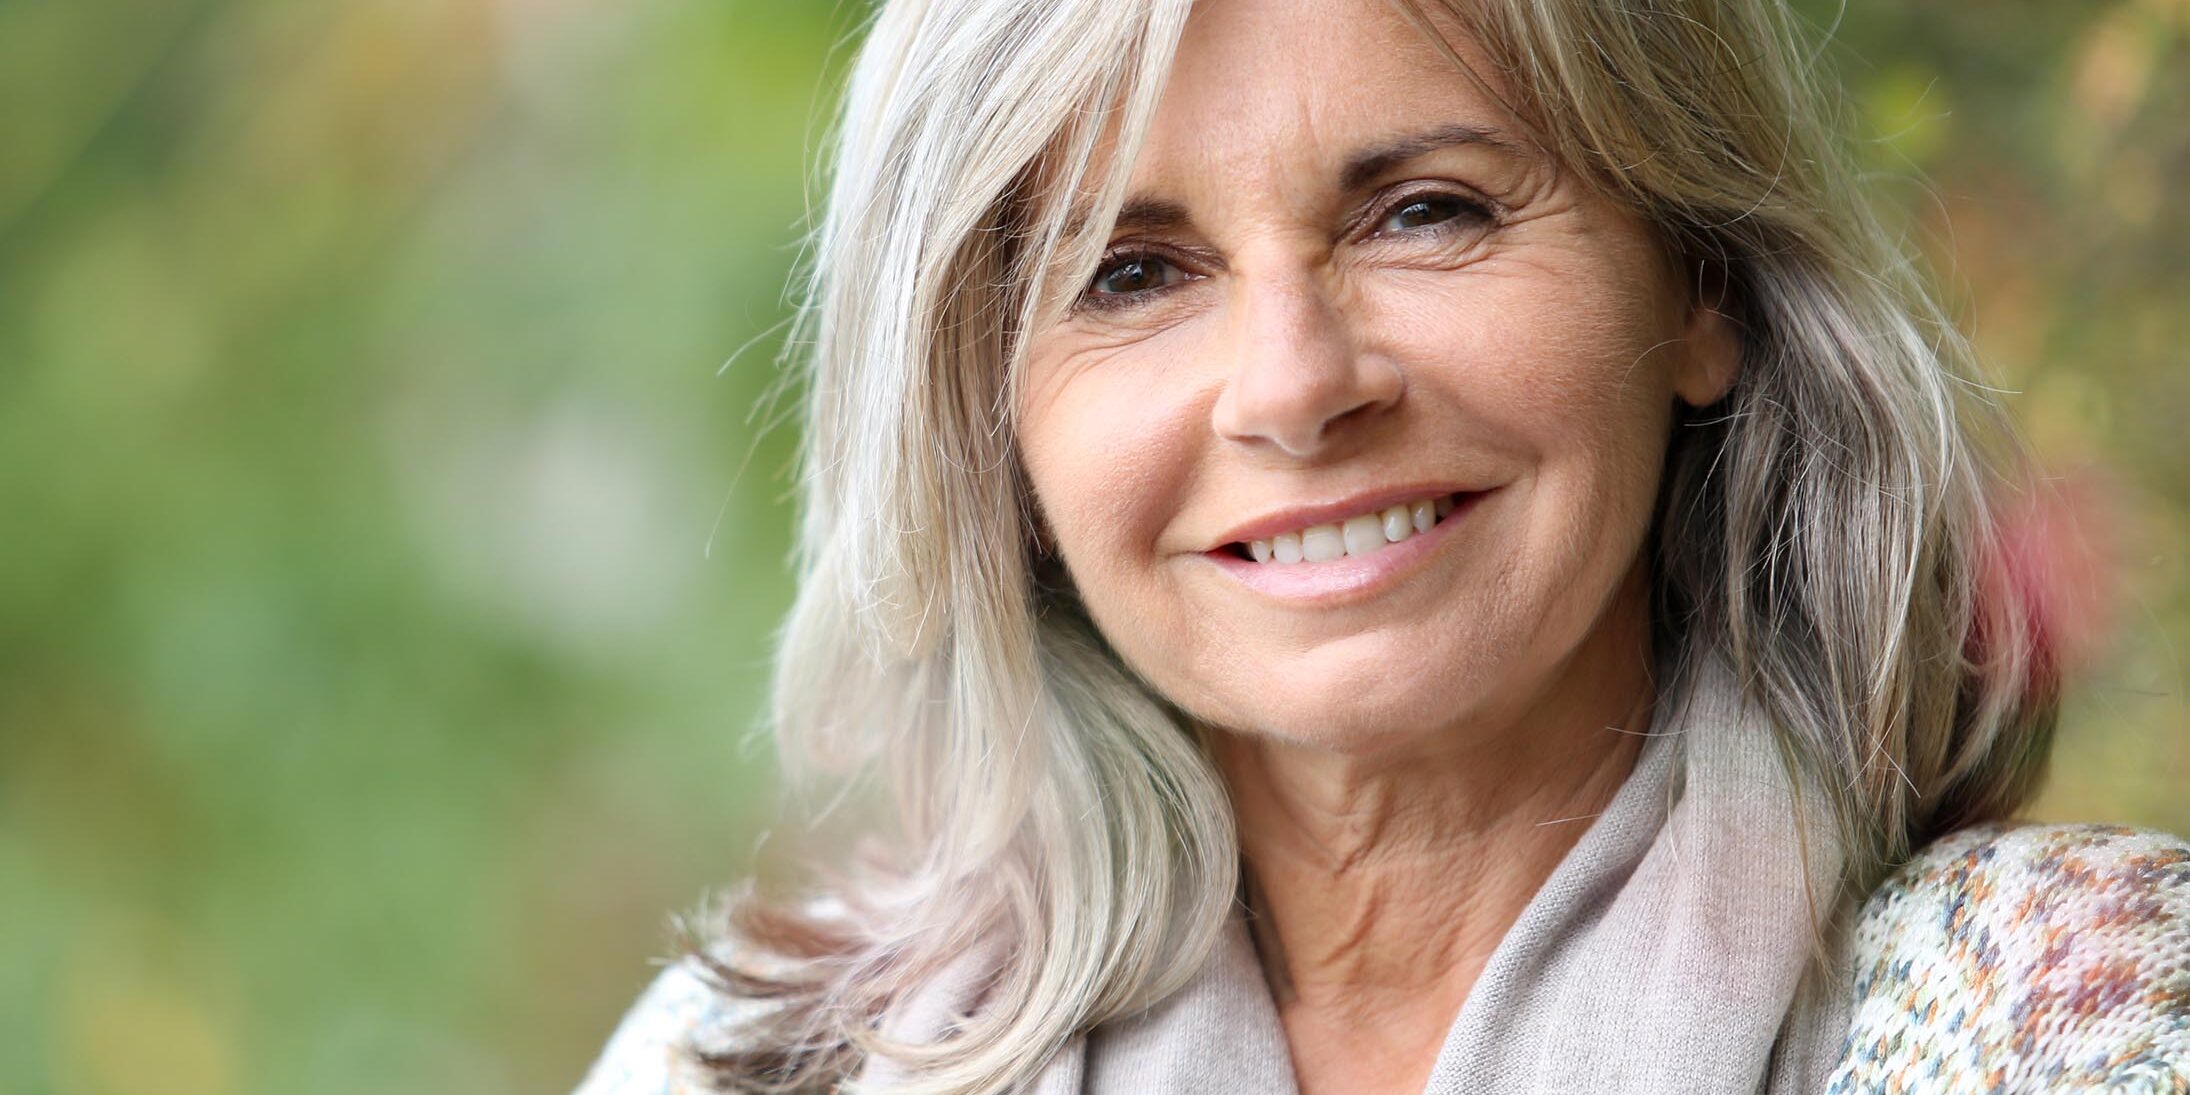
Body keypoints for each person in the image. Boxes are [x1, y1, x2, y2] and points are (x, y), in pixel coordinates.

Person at [575, 0, 2190, 1091]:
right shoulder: (744, 1070)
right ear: (986, 430)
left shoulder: (2071, 1017)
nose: (1291, 387)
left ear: (1699, 279)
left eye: (1425, 210)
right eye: (1129, 273)